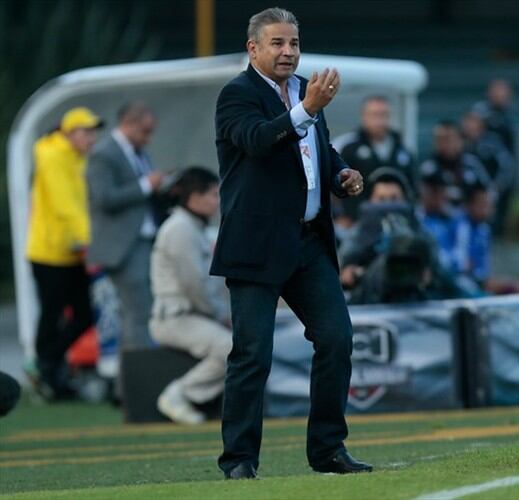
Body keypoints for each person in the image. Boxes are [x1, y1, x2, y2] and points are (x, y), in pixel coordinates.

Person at [211, 7, 371, 479]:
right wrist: (307, 109)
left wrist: (340, 173)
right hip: (256, 244)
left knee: (337, 338)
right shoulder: (236, 94)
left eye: (294, 44)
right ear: (253, 48)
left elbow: (314, 150)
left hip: (307, 241)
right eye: (278, 43)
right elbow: (259, 141)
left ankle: (327, 451)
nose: (288, 52)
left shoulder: (305, 91)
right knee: (252, 353)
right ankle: (239, 460)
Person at [25, 107, 101, 399]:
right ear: (69, 133)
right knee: (54, 314)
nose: (92, 138)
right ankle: (46, 370)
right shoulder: (53, 156)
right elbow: (65, 206)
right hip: (49, 252)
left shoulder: (73, 157)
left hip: (69, 252)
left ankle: (46, 368)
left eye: (93, 132)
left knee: (80, 315)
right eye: (86, 132)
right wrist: (90, 241)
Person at [150, 167, 231, 425]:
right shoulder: (179, 229)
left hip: (193, 315)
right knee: (231, 347)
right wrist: (220, 315)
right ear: (192, 197)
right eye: (211, 195)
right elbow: (194, 284)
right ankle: (179, 394)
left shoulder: (193, 226)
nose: (216, 201)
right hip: (175, 319)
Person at [87, 101, 166, 349]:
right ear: (128, 124)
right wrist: (145, 185)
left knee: (146, 310)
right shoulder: (103, 153)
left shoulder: (138, 151)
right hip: (125, 246)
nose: (149, 139)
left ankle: (142, 371)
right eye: (145, 132)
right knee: (138, 313)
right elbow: (104, 198)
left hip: (145, 240)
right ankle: (140, 378)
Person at [331, 95, 415, 228]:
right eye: (374, 114)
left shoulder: (402, 149)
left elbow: (412, 186)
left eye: (384, 114)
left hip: (397, 221)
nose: (379, 120)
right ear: (363, 116)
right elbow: (334, 181)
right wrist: (342, 215)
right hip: (356, 221)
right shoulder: (348, 147)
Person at [461, 110, 514, 236]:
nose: (470, 127)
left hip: (489, 192)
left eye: (473, 123)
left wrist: (497, 186)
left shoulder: (492, 144)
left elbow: (506, 165)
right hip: (468, 195)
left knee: (489, 227)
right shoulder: (461, 144)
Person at [418, 120, 492, 207]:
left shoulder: (471, 164)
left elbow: (488, 191)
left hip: (470, 216)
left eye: (448, 139)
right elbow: (420, 198)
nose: (444, 144)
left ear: (459, 140)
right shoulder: (428, 168)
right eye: (439, 139)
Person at [472, 79, 517, 156]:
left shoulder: (509, 116)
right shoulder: (479, 111)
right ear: (489, 93)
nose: (500, 96)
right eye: (497, 92)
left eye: (504, 94)